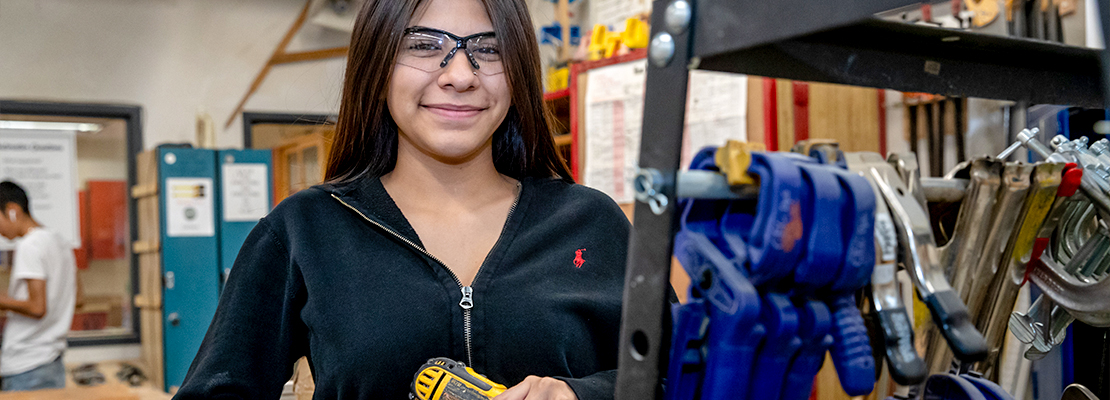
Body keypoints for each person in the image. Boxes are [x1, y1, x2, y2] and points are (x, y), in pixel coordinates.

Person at [174, 0, 629, 398]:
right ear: (378, 63)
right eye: (425, 45)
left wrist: (582, 394)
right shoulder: (305, 230)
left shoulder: (591, 223)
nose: (460, 75)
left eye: (488, 50)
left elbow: (682, 377)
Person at [0, 181, 77, 391]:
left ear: (12, 210)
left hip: (26, 364)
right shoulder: (60, 242)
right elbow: (78, 299)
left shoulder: (29, 245)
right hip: (52, 360)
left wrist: (3, 301)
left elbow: (37, 308)